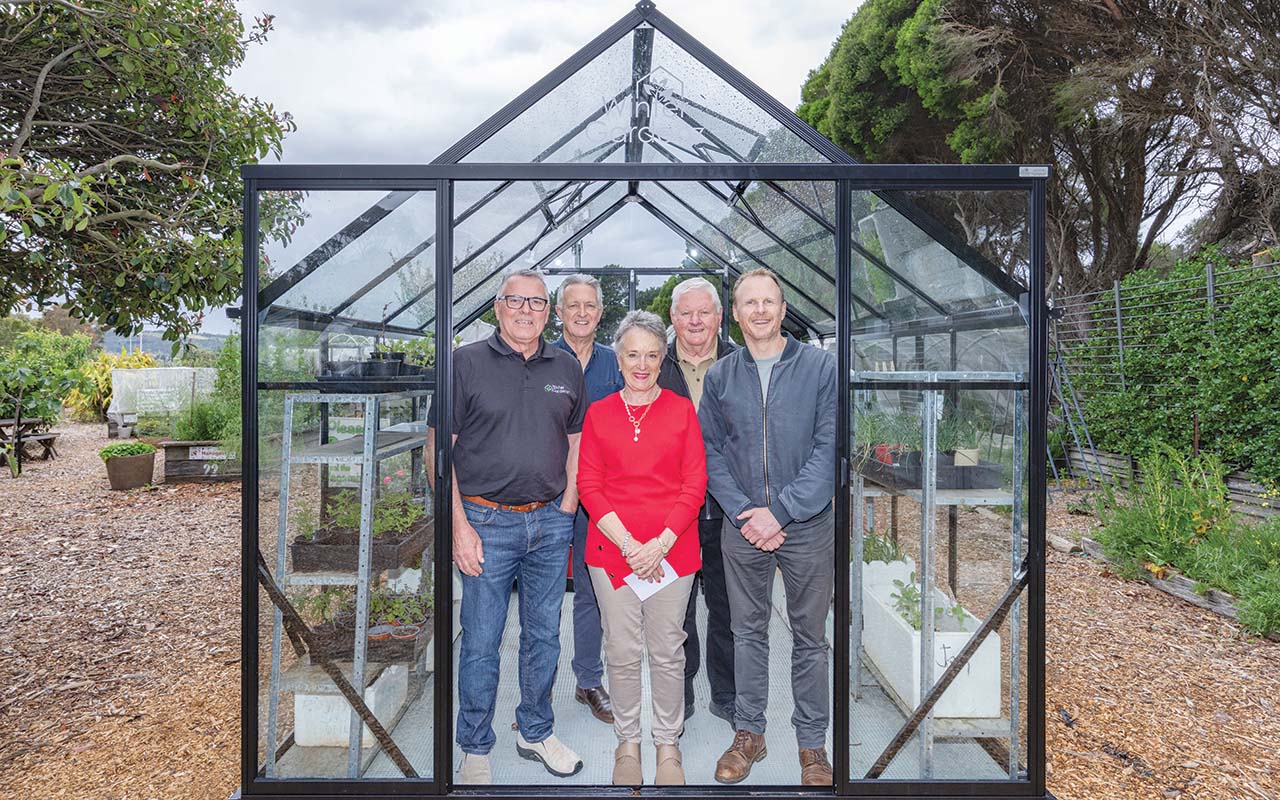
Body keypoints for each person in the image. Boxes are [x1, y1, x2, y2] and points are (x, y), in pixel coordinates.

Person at [698, 268, 837, 786]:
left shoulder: (820, 368)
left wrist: (781, 511)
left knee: (810, 637)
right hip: (743, 526)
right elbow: (710, 453)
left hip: (807, 525)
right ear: (734, 314)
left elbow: (828, 451)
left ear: (783, 308)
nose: (759, 311)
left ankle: (812, 744)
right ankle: (749, 733)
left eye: (769, 301)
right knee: (746, 632)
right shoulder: (720, 377)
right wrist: (745, 512)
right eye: (749, 303)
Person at [447, 268, 586, 783]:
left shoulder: (565, 367)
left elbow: (575, 441)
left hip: (550, 524)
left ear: (548, 311)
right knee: (482, 639)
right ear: (497, 306)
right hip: (485, 521)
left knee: (544, 635)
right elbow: (440, 450)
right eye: (516, 300)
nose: (526, 310)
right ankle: (476, 745)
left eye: (537, 302)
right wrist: (460, 527)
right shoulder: (466, 363)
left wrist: (568, 505)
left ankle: (535, 729)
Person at [576, 310, 708, 786]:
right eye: (632, 354)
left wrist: (661, 544)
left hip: (673, 551)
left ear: (662, 359)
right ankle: (628, 742)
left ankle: (668, 744)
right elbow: (589, 484)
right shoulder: (599, 413)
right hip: (613, 552)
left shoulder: (679, 410)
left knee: (669, 650)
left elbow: (695, 482)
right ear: (619, 357)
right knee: (622, 649)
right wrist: (632, 545)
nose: (642, 363)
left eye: (652, 355)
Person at [656, 277, 737, 727]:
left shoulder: (740, 362)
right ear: (673, 318)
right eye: (686, 313)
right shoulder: (656, 362)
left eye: (703, 312)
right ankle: (680, 692)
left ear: (719, 317)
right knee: (677, 608)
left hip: (727, 509)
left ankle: (725, 694)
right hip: (675, 509)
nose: (694, 321)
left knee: (727, 606)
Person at [551, 274, 624, 726]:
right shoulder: (539, 359)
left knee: (594, 591)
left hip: (600, 495)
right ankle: (536, 693)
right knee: (541, 596)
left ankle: (588, 680)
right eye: (572, 305)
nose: (581, 313)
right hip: (546, 495)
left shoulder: (615, 364)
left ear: (600, 313)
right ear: (558, 313)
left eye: (590, 306)